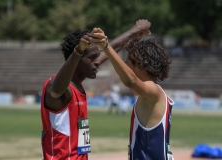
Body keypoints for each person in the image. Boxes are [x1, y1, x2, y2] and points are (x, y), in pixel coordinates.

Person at [40, 20, 152, 160]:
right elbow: (56, 91)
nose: (97, 62)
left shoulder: (77, 83)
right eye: (92, 58)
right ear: (77, 58)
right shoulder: (57, 86)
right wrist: (78, 50)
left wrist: (135, 30)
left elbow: (112, 47)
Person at [89, 19, 175, 160]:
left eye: (127, 64)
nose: (124, 68)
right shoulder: (147, 96)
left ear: (140, 67)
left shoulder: (155, 92)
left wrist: (106, 47)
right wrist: (133, 37)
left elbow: (131, 80)